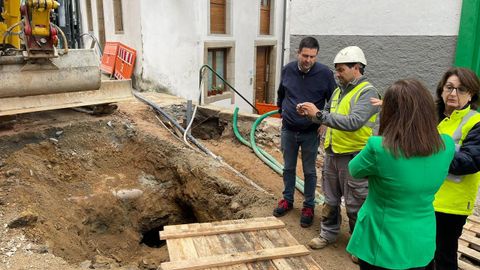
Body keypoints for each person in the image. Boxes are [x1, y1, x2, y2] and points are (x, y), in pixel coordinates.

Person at [346, 79, 455, 270]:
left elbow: (354, 169)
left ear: (390, 113)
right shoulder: (446, 145)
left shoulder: (379, 148)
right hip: (422, 240)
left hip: (381, 242)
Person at [297, 46, 380, 251]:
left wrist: (319, 115)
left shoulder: (368, 92)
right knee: (330, 199)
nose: (337, 74)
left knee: (355, 203)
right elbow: (326, 112)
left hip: (355, 157)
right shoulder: (338, 91)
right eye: (336, 69)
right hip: (333, 154)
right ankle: (328, 233)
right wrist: (310, 112)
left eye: (341, 69)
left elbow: (354, 121)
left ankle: (358, 243)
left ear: (357, 68)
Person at [273, 36, 336, 228]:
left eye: (312, 56)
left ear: (316, 56)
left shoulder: (325, 74)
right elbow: (281, 94)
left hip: (310, 132)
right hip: (289, 130)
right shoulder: (288, 70)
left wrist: (324, 121)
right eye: (305, 55)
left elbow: (333, 100)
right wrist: (282, 112)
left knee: (309, 171)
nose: (308, 60)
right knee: (288, 168)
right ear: (298, 53)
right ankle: (288, 200)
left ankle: (308, 206)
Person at [426, 67, 480, 270]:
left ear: (471, 94)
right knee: (422, 251)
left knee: (443, 256)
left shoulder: (475, 122)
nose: (453, 94)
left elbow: (470, 162)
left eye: (461, 89)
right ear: (441, 89)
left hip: (451, 205)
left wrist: (428, 151)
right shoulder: (431, 116)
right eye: (449, 87)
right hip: (424, 197)